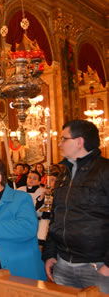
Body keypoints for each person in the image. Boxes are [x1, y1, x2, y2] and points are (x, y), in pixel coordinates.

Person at [43, 120, 109, 293]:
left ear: (80, 142)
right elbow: (56, 217)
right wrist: (50, 254)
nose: (59, 143)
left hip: (97, 265)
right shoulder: (64, 174)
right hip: (63, 264)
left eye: (64, 139)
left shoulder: (105, 170)